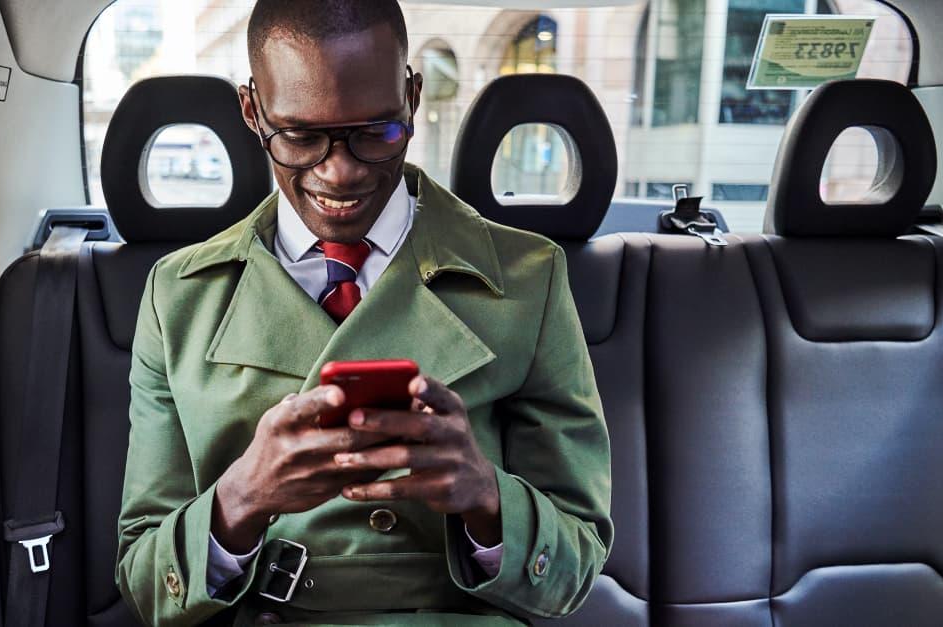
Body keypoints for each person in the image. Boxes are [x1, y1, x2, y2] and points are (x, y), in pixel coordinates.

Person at [115, 1, 612, 624]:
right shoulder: (180, 295)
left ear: (411, 96)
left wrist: (485, 497)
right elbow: (144, 583)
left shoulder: (527, 278)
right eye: (300, 136)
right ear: (253, 110)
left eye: (376, 132)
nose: (340, 171)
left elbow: (574, 571)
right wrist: (243, 498)